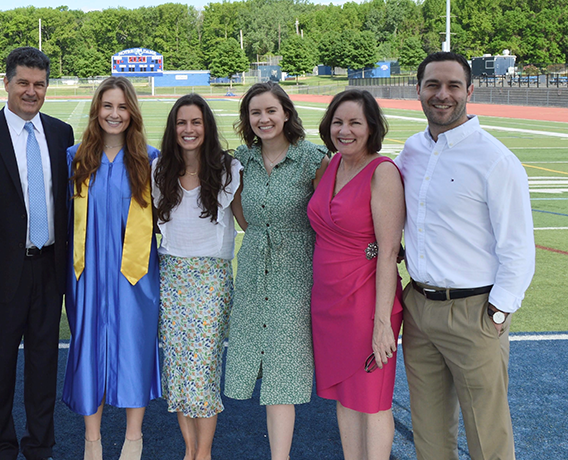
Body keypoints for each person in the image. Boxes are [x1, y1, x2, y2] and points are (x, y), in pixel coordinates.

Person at [395, 51, 536, 460]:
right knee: (430, 433)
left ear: (470, 91)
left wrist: (497, 312)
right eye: (433, 85)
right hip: (419, 307)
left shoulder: (495, 160)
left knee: (487, 435)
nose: (443, 94)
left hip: (474, 311)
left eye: (453, 85)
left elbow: (518, 247)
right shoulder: (412, 150)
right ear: (417, 90)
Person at [0, 47, 75, 460]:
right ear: (6, 83)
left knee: (44, 362)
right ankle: (0, 444)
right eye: (23, 83)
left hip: (49, 266)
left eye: (39, 84)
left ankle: (39, 443)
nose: (31, 91)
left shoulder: (62, 134)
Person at [223, 81, 329, 460]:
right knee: (260, 362)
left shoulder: (312, 159)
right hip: (253, 270)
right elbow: (239, 209)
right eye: (255, 113)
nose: (263, 119)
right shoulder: (242, 160)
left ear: (286, 113)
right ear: (247, 119)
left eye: (270, 111)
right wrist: (261, 235)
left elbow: (329, 217)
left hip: (296, 273)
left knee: (284, 369)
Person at [63, 76, 160, 460]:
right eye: (107, 106)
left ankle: (133, 438)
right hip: (86, 272)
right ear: (96, 110)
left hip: (135, 271)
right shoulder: (75, 158)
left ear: (131, 112)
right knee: (88, 347)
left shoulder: (150, 160)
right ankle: (93, 439)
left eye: (122, 107)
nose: (114, 114)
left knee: (135, 345)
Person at [308, 89, 405, 459]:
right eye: (338, 122)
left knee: (373, 402)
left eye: (354, 123)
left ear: (371, 128)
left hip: (367, 303)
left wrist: (383, 323)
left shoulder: (382, 172)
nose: (344, 130)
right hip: (329, 303)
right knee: (345, 398)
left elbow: (388, 251)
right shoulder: (330, 165)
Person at [152, 94, 241, 460]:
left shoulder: (229, 169)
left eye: (196, 122)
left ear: (207, 127)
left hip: (211, 279)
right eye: (182, 123)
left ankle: (202, 454)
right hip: (170, 277)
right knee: (177, 369)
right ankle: (189, 451)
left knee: (201, 370)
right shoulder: (159, 171)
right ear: (173, 129)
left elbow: (248, 220)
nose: (189, 130)